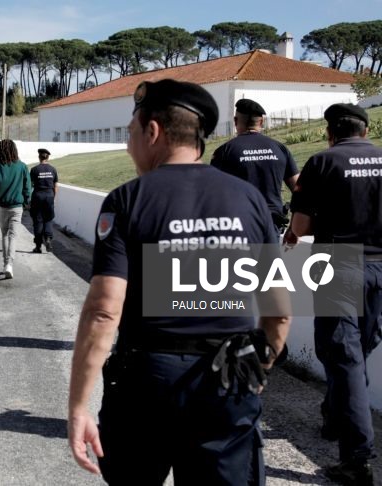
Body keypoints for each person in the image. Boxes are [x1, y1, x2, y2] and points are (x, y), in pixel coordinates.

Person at [68, 79, 291, 484]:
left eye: (131, 133)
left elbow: (104, 310)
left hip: (147, 379)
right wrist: (262, 366)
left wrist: (78, 406)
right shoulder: (249, 199)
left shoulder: (127, 200)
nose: (127, 144)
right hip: (229, 376)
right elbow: (278, 311)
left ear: (153, 132)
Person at [285, 103, 382, 485]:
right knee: (359, 348)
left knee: (342, 355)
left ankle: (357, 459)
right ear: (366, 129)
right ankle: (335, 413)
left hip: (339, 265)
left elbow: (303, 224)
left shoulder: (322, 162)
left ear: (330, 131)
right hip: (380, 265)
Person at [210, 98, 299, 233]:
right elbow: (300, 191)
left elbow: (213, 194)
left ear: (235, 121)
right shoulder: (280, 149)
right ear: (262, 121)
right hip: (271, 224)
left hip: (239, 226)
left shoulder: (225, 151)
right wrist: (295, 228)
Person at [0, 139, 31, 279]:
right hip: (17, 206)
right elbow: (27, 187)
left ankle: (6, 263)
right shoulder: (22, 166)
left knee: (5, 234)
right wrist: (26, 201)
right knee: (13, 235)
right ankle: (9, 265)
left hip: (2, 206)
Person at [30, 148, 59, 253]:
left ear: (39, 157)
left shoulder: (34, 170)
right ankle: (48, 238)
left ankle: (38, 246)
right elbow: (56, 186)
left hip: (38, 196)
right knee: (48, 219)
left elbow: (30, 185)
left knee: (38, 221)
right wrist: (54, 198)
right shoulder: (53, 169)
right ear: (48, 157)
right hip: (49, 196)